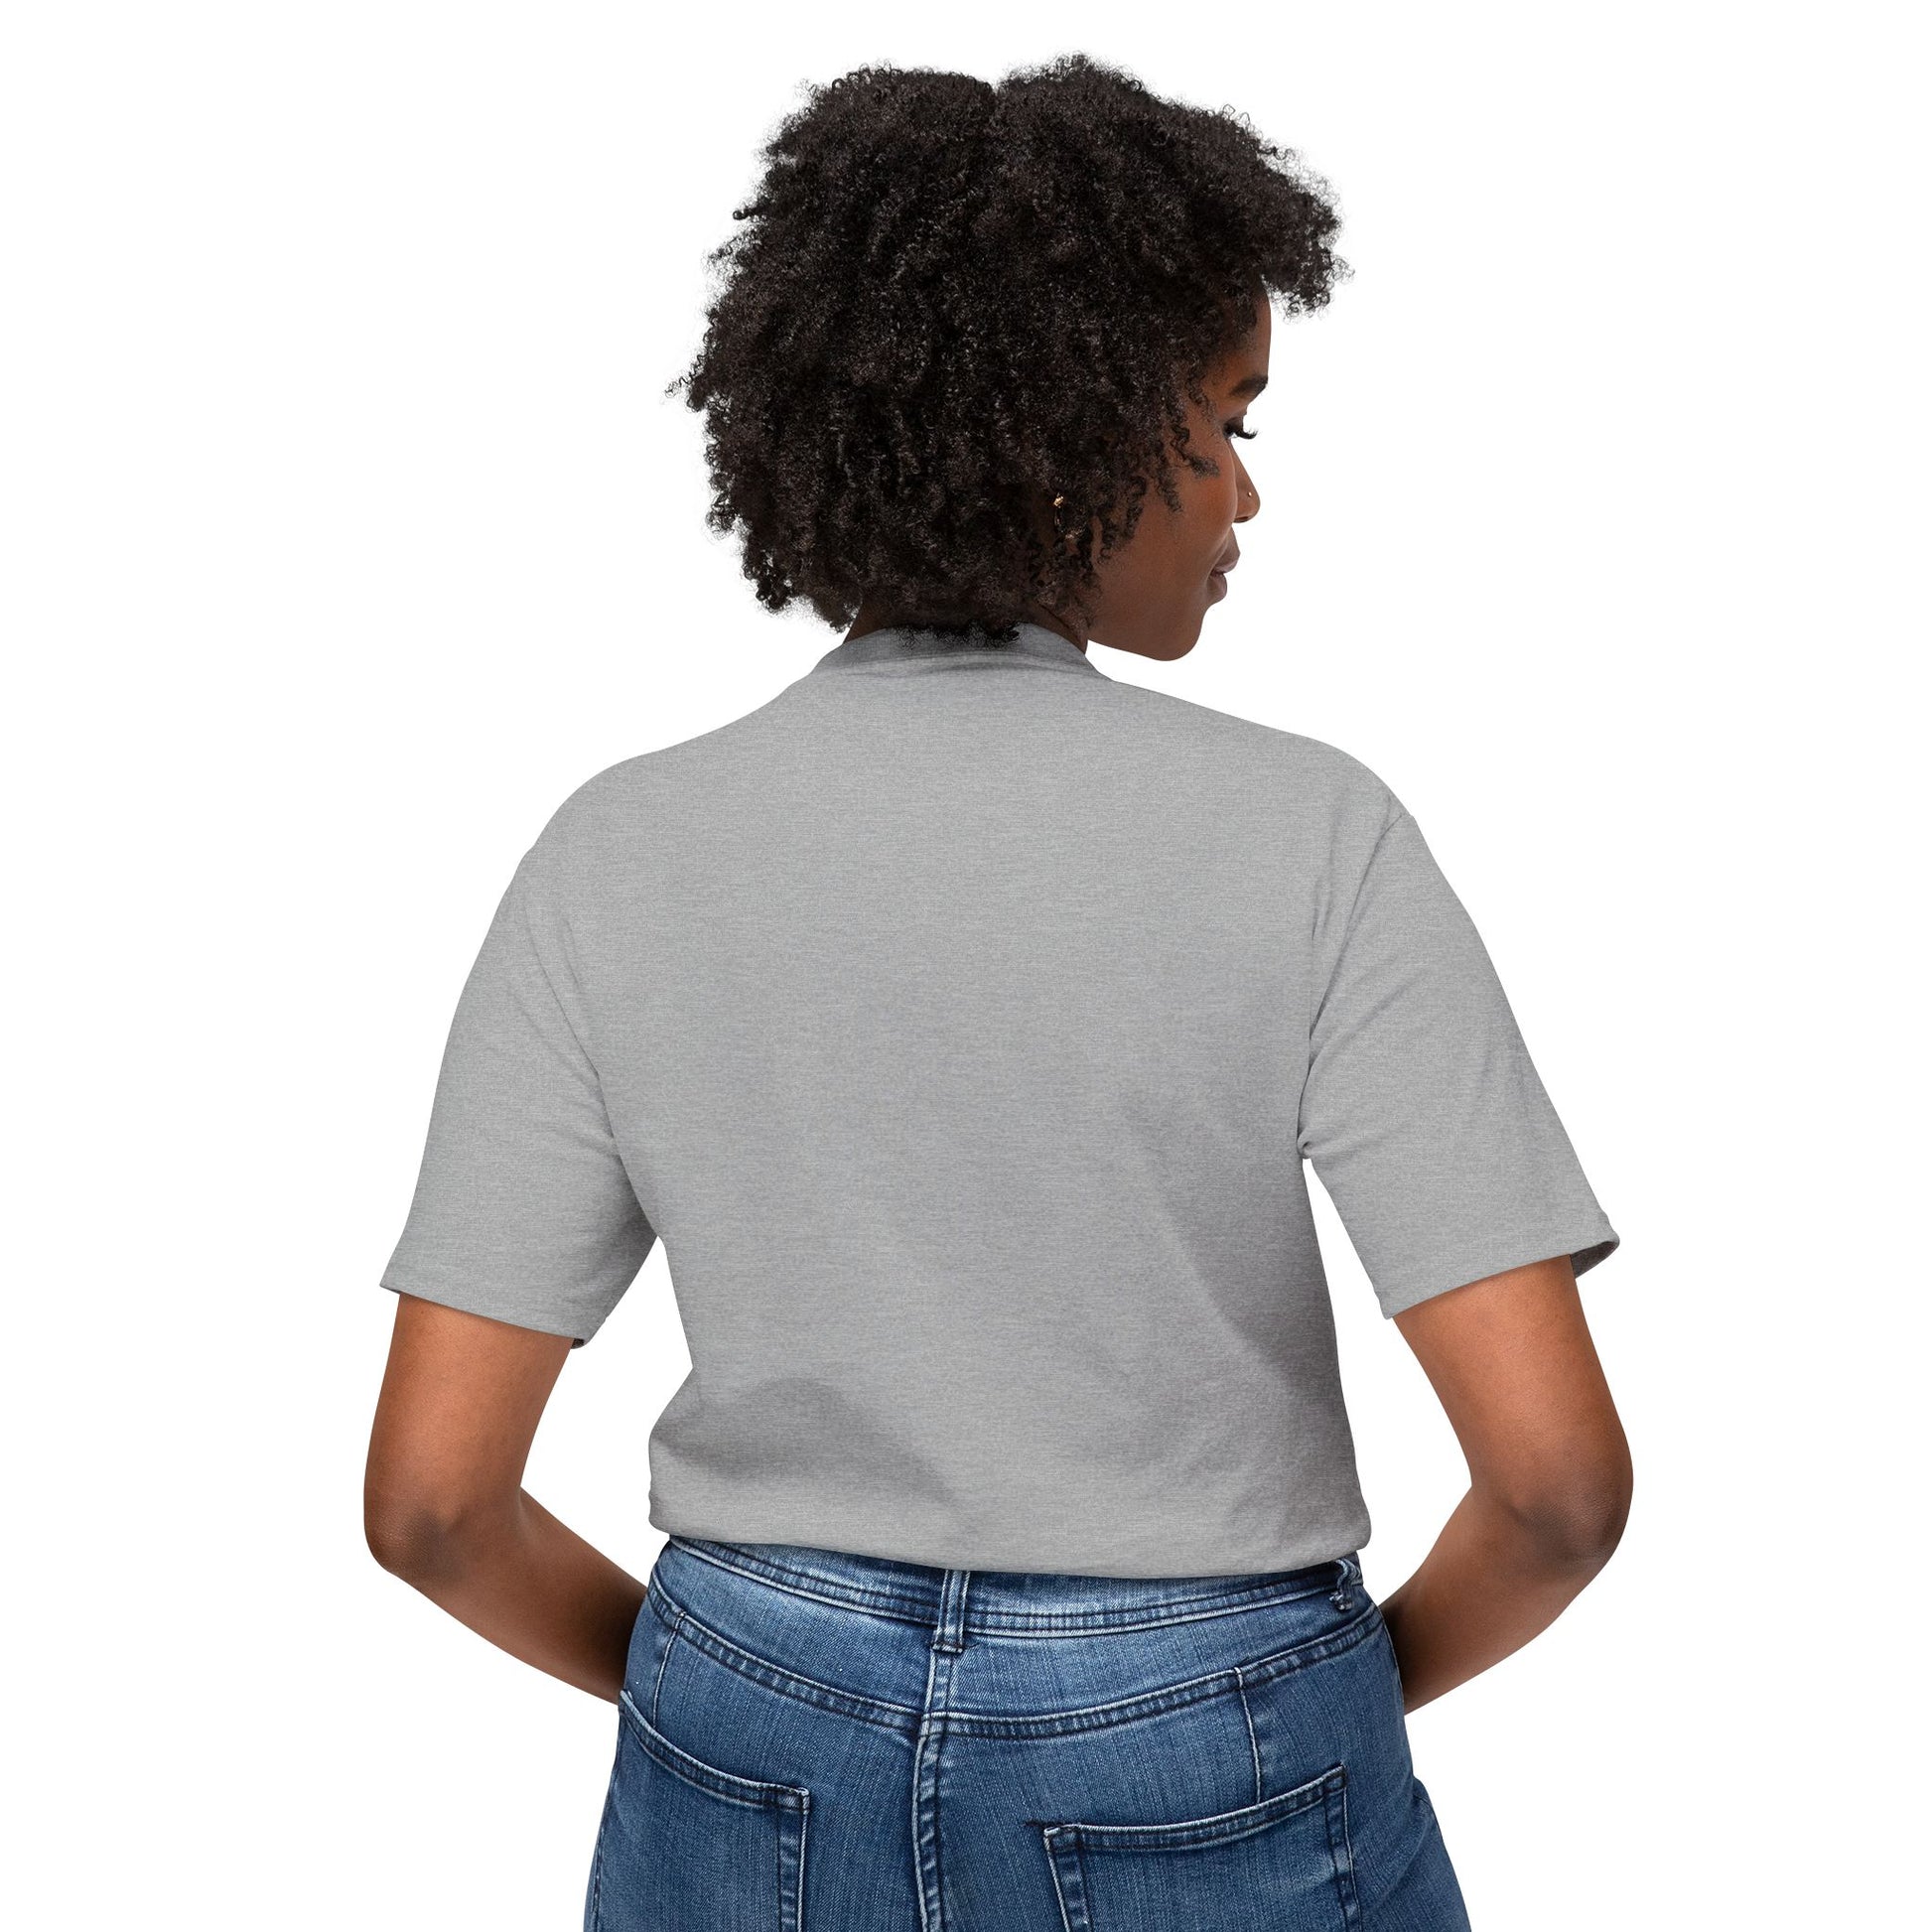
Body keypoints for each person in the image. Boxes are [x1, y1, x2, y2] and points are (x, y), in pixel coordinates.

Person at [364, 55, 1630, 1932]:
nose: (1248, 492)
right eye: (1224, 422)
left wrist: (761, 1709)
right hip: (1213, 1700)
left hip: (742, 1689)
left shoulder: (615, 849)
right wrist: (1282, 1715)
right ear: (1072, 445)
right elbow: (1554, 1486)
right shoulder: (1312, 835)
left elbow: (431, 1502)